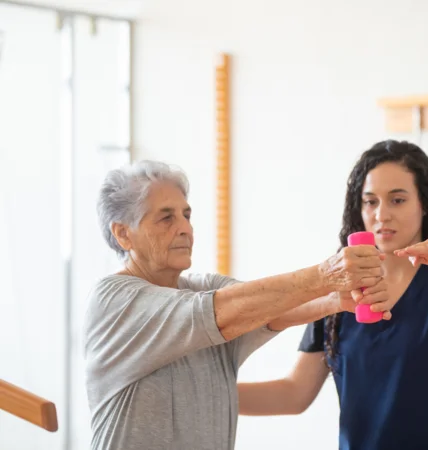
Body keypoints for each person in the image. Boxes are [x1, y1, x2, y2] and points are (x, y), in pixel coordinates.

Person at [83, 160, 390, 450]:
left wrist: (335, 300)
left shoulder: (205, 288)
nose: (185, 229)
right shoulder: (114, 300)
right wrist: (326, 275)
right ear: (124, 234)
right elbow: (218, 313)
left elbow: (265, 310)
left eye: (186, 216)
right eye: (166, 217)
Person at [237, 140, 428, 450]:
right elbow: (294, 394)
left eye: (397, 200)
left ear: (424, 204)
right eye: (370, 202)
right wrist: (206, 392)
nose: (381, 214)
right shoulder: (339, 294)